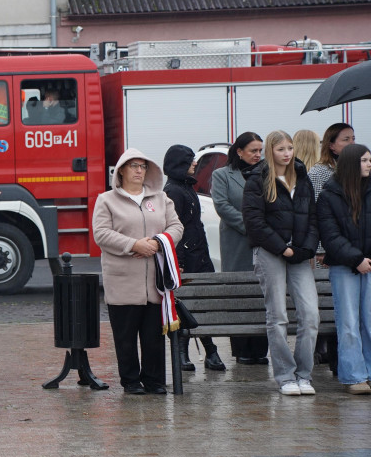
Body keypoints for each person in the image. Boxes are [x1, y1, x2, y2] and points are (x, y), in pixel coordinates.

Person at [92, 149, 183, 394]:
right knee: (125, 337)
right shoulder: (107, 200)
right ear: (121, 170)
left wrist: (157, 242)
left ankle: (154, 380)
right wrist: (133, 245)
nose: (139, 170)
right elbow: (101, 233)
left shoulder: (161, 198)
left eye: (142, 166)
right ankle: (131, 381)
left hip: (155, 281)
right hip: (122, 281)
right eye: (133, 166)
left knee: (154, 337)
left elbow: (176, 226)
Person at [242, 130, 319, 396]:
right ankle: (286, 376)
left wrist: (305, 248)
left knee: (310, 315)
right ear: (270, 152)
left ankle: (304, 375)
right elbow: (254, 222)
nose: (287, 154)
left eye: (290, 148)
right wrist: (282, 248)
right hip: (270, 253)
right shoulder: (258, 178)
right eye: (281, 149)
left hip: (299, 254)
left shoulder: (302, 176)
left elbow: (312, 218)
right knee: (278, 317)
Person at [162, 145, 225, 371]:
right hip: (186, 258)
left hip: (199, 254)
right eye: (190, 161)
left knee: (201, 305)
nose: (195, 164)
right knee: (186, 305)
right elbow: (173, 230)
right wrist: (177, 263)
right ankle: (185, 353)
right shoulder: (174, 191)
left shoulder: (185, 187)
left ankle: (209, 350)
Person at [316, 143, 371, 395]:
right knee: (348, 323)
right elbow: (330, 235)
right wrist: (356, 259)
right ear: (350, 164)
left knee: (370, 321)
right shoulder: (329, 195)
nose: (369, 164)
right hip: (343, 267)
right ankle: (354, 376)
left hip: (370, 265)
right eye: (364, 160)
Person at [211, 132, 269, 365]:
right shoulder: (222, 175)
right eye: (253, 150)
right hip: (237, 241)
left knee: (261, 292)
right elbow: (222, 205)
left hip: (265, 241)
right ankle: (242, 348)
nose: (257, 155)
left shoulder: (267, 174)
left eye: (260, 151)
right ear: (239, 151)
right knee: (239, 291)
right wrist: (252, 227)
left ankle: (260, 349)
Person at [308, 123, 355, 200]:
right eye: (346, 139)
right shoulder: (318, 172)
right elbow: (315, 204)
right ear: (331, 145)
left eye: (353, 138)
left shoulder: (357, 168)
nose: (352, 143)